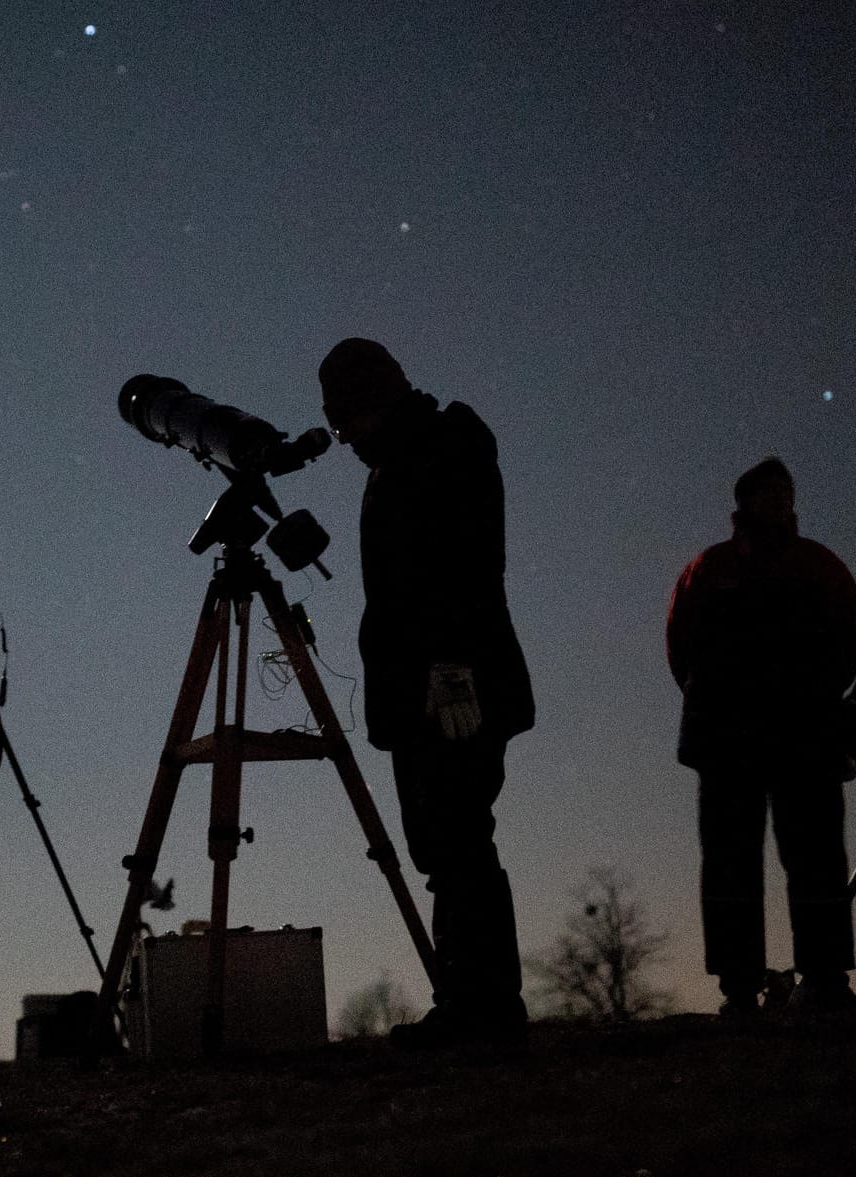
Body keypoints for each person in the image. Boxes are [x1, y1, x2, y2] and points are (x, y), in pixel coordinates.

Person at [318, 337, 534, 1045]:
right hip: (420, 684)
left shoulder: (445, 448)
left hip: (453, 680)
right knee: (444, 842)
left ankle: (487, 1006)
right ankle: (470, 998)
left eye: (348, 421)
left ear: (372, 401)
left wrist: (449, 665)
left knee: (460, 834)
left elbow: (462, 563)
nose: (343, 438)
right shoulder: (399, 459)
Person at [666, 457, 856, 1016]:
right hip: (728, 734)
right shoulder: (709, 568)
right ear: (746, 502)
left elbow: (850, 636)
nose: (782, 501)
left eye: (787, 492)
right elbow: (681, 645)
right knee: (731, 856)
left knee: (815, 852)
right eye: (771, 493)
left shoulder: (818, 565)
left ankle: (826, 978)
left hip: (803, 729)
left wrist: (816, 695)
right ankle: (738, 984)